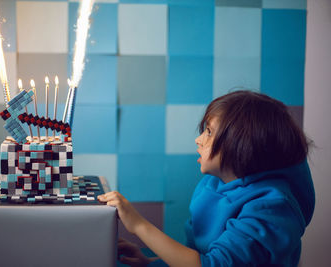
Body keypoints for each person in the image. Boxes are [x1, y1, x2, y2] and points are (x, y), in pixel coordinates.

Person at [98, 90, 315, 267]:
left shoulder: (271, 209)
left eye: (209, 133)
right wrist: (151, 262)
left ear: (244, 145)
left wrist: (138, 225)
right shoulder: (216, 184)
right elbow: (199, 255)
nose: (198, 140)